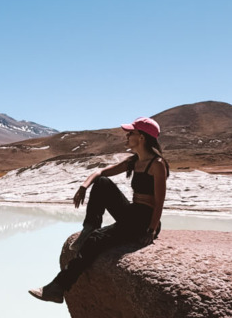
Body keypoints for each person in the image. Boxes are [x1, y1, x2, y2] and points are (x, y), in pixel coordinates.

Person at [29, 117, 169, 304]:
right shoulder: (135, 161)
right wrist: (84, 186)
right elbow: (100, 173)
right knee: (102, 183)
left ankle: (57, 288)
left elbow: (159, 202)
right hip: (133, 212)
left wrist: (151, 230)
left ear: (142, 137)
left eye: (131, 133)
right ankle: (90, 226)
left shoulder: (157, 164)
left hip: (144, 221)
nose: (127, 136)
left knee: (96, 241)